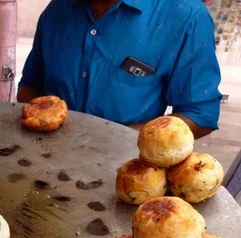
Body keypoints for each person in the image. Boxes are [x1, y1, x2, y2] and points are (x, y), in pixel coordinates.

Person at [17, 0, 222, 139]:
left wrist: (120, 138)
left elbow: (200, 115)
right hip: (44, 159)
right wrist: (43, 117)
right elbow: (28, 88)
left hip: (126, 172)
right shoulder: (57, 10)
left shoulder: (185, 16)